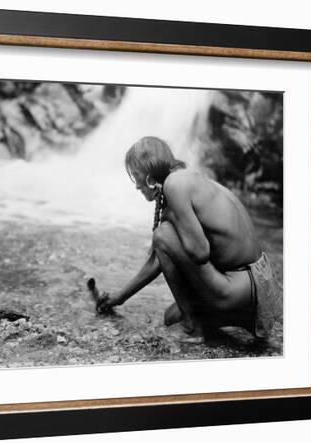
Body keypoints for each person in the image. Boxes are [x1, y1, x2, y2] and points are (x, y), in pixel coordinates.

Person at [97, 136, 280, 343]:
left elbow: (199, 251)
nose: (136, 185)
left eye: (136, 176)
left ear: (149, 176)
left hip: (240, 287)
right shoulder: (188, 178)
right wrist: (119, 298)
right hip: (259, 288)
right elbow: (158, 259)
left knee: (163, 233)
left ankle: (193, 329)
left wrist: (171, 220)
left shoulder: (174, 185)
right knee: (171, 317)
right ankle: (237, 319)